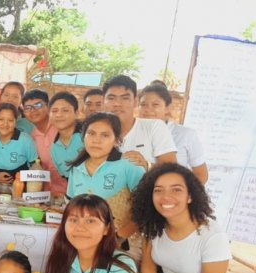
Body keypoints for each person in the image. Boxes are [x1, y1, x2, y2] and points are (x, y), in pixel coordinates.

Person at [66, 112, 145, 250]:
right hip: (83, 243)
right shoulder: (76, 169)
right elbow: (70, 210)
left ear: (116, 140)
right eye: (91, 133)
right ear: (83, 137)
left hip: (122, 246)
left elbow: (146, 208)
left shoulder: (129, 165)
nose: (96, 140)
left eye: (105, 135)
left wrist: (118, 237)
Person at [138, 82, 208, 184]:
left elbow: (201, 174)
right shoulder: (133, 132)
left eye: (155, 104)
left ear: (167, 108)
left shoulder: (186, 135)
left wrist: (185, 195)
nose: (148, 109)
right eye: (143, 104)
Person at [102, 75, 177, 169]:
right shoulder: (96, 130)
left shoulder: (154, 127)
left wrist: (147, 165)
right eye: (111, 98)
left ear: (136, 101)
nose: (117, 104)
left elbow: (172, 169)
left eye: (125, 98)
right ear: (103, 101)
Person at [23, 89, 67, 196]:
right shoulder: (30, 138)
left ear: (48, 107)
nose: (32, 110)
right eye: (28, 107)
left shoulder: (63, 129)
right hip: (46, 196)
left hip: (71, 194)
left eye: (38, 105)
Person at [0, 103, 39, 183]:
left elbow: (35, 166)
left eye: (10, 120)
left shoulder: (25, 140)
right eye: (1, 119)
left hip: (20, 186)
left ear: (16, 122)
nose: (5, 124)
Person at [49, 92, 84, 180]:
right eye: (54, 111)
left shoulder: (87, 136)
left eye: (65, 110)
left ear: (76, 113)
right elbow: (66, 178)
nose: (59, 115)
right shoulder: (54, 148)